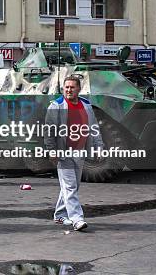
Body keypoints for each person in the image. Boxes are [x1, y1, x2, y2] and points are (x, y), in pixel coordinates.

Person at [44, 76, 104, 231]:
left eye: (72, 87)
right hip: (63, 153)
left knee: (73, 186)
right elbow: (49, 131)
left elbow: (94, 127)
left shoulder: (86, 105)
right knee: (70, 186)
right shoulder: (56, 106)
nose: (69, 90)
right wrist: (51, 151)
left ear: (79, 89)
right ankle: (77, 219)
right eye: (66, 87)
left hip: (80, 152)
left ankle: (59, 214)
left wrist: (99, 147)